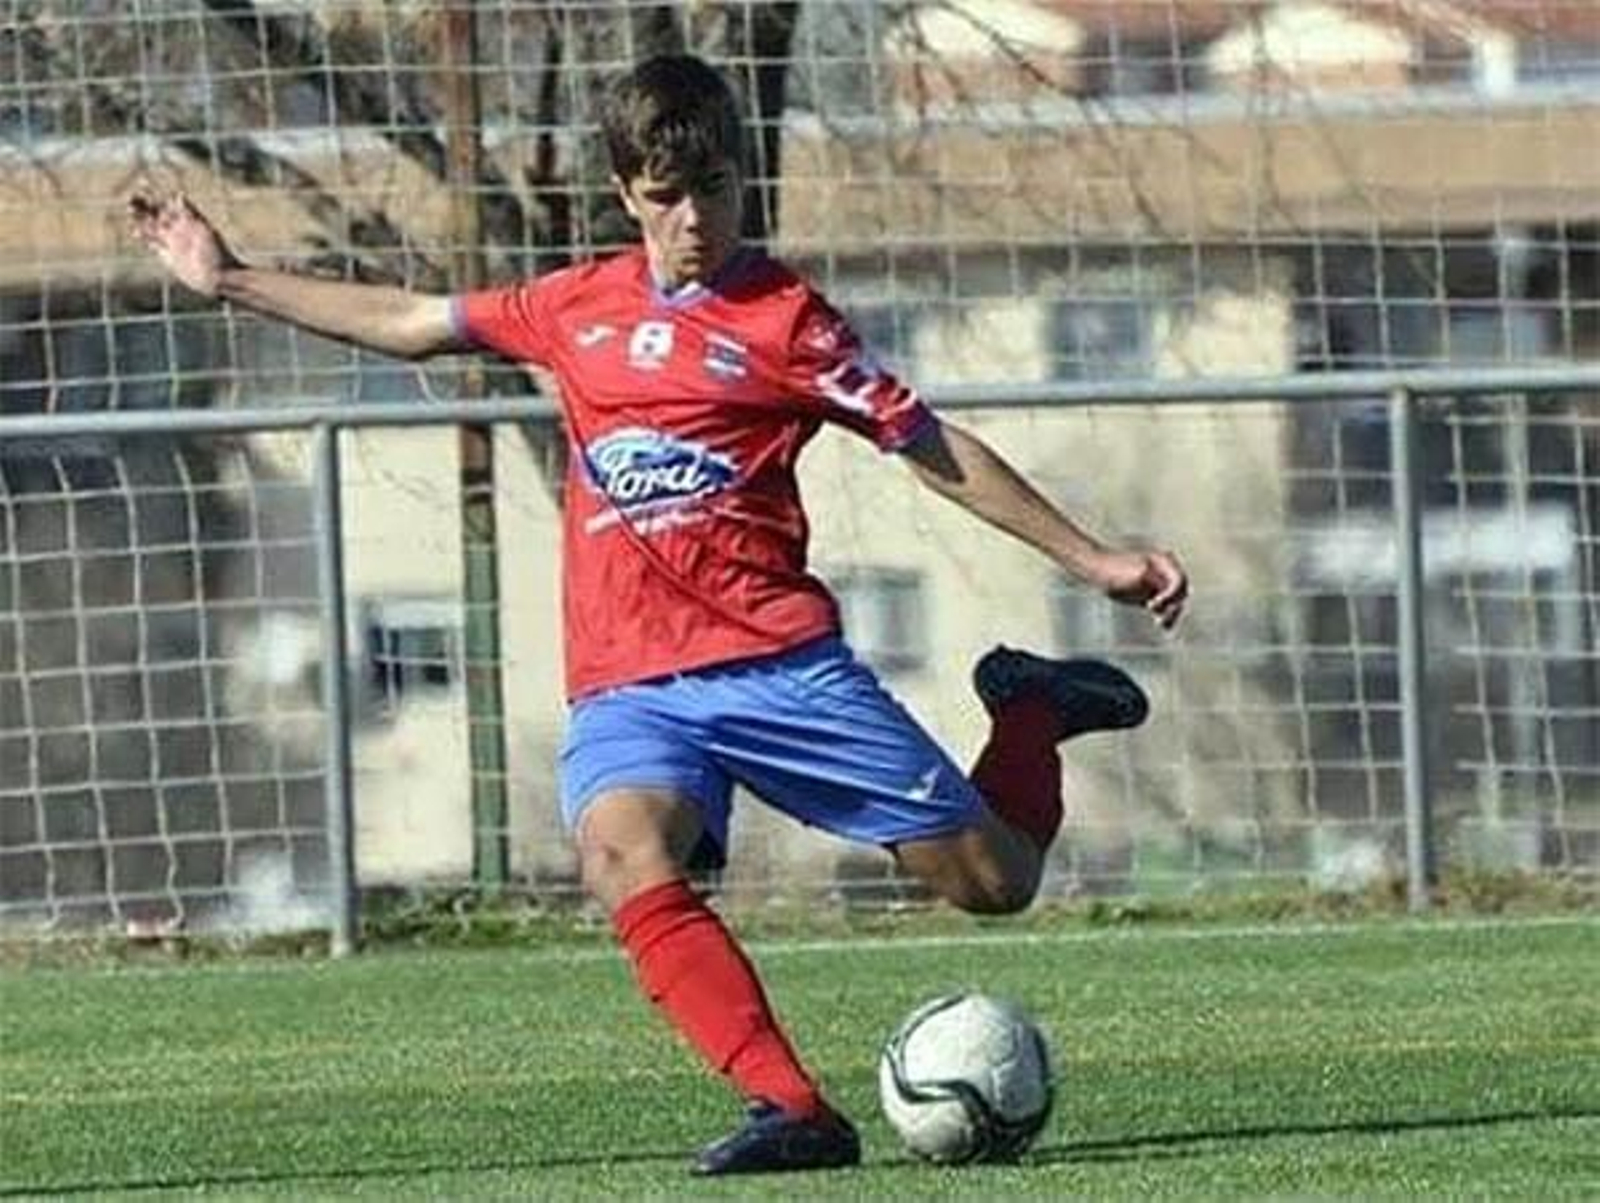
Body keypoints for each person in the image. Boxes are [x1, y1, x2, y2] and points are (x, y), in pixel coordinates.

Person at [130, 53, 1187, 1176]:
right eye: (668, 196)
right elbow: (405, 318)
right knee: (621, 855)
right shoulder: (570, 308)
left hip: (780, 668)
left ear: (741, 183)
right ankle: (795, 1110)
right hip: (631, 687)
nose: (695, 218)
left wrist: (1094, 557)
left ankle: (1027, 711)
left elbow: (930, 447)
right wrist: (230, 278)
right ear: (628, 194)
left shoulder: (788, 321)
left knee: (994, 883)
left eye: (717, 189)